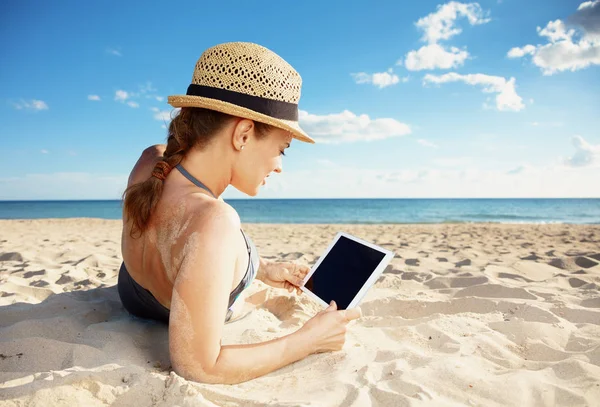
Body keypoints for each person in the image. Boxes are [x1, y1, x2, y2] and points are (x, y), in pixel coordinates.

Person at [118, 42, 362, 385]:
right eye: (282, 149)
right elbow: (198, 366)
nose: (278, 167)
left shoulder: (150, 162)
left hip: (133, 295)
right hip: (175, 309)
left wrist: (264, 269)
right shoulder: (214, 220)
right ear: (243, 133)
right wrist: (309, 340)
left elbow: (188, 249)